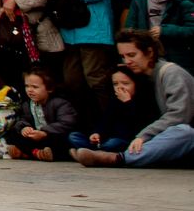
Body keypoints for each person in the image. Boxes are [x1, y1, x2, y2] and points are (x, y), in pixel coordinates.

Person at [72, 31, 193, 168]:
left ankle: (118, 158)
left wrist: (143, 136)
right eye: (123, 57)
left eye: (132, 55)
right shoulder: (141, 77)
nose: (127, 61)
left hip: (187, 138)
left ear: (149, 52)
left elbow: (180, 115)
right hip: (161, 140)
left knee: (184, 131)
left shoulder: (171, 74)